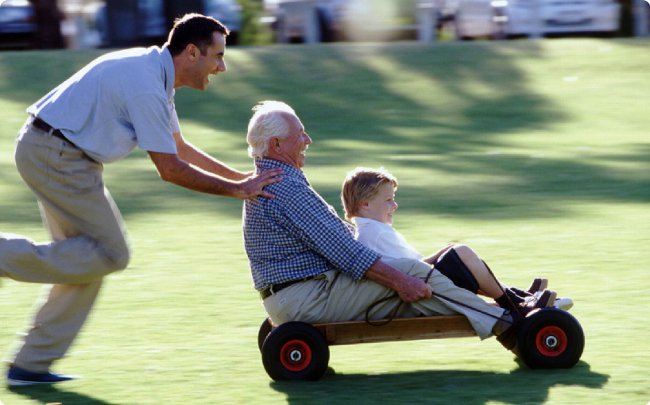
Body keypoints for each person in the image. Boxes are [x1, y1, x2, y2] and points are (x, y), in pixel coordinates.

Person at [0, 14, 282, 387]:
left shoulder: (155, 73)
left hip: (56, 152)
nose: (222, 67)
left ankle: (30, 365)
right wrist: (236, 191)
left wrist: (242, 179)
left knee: (86, 259)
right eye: (217, 56)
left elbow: (179, 148)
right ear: (193, 52)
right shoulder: (148, 85)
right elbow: (170, 168)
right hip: (57, 155)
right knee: (111, 253)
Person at [242, 100, 552, 358]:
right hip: (307, 298)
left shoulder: (271, 180)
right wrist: (402, 280)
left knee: (413, 270)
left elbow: (337, 241)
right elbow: (348, 253)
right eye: (301, 134)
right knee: (415, 274)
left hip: (293, 296)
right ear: (276, 144)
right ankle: (510, 325)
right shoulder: (285, 187)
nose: (308, 140)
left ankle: (508, 303)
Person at [340, 167, 573, 312]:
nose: (395, 205)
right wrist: (449, 253)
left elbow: (412, 263)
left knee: (455, 252)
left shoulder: (372, 230)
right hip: (420, 291)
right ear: (366, 204)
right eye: (388, 200)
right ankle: (514, 303)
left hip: (420, 282)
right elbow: (414, 269)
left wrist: (444, 252)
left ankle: (518, 295)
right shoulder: (375, 233)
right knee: (461, 252)